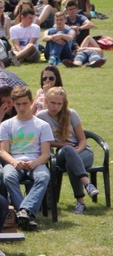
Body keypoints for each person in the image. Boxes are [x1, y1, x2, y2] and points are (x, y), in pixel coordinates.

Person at [0, 86, 54, 231]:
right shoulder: (6, 125)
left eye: (25, 103)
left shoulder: (42, 125)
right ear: (13, 104)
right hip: (14, 161)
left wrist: (35, 163)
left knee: (43, 176)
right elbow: (3, 151)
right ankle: (26, 214)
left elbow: (46, 154)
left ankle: (23, 211)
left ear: (31, 102)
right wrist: (14, 162)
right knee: (8, 176)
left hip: (36, 161)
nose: (21, 107)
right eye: (18, 104)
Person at [37, 87, 99, 215]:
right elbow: (42, 141)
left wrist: (75, 152)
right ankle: (87, 184)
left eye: (59, 104)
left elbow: (83, 140)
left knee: (71, 162)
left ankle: (80, 202)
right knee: (67, 150)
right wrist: (61, 144)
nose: (56, 106)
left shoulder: (71, 114)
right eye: (53, 103)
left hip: (82, 152)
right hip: (61, 153)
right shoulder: (41, 117)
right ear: (47, 101)